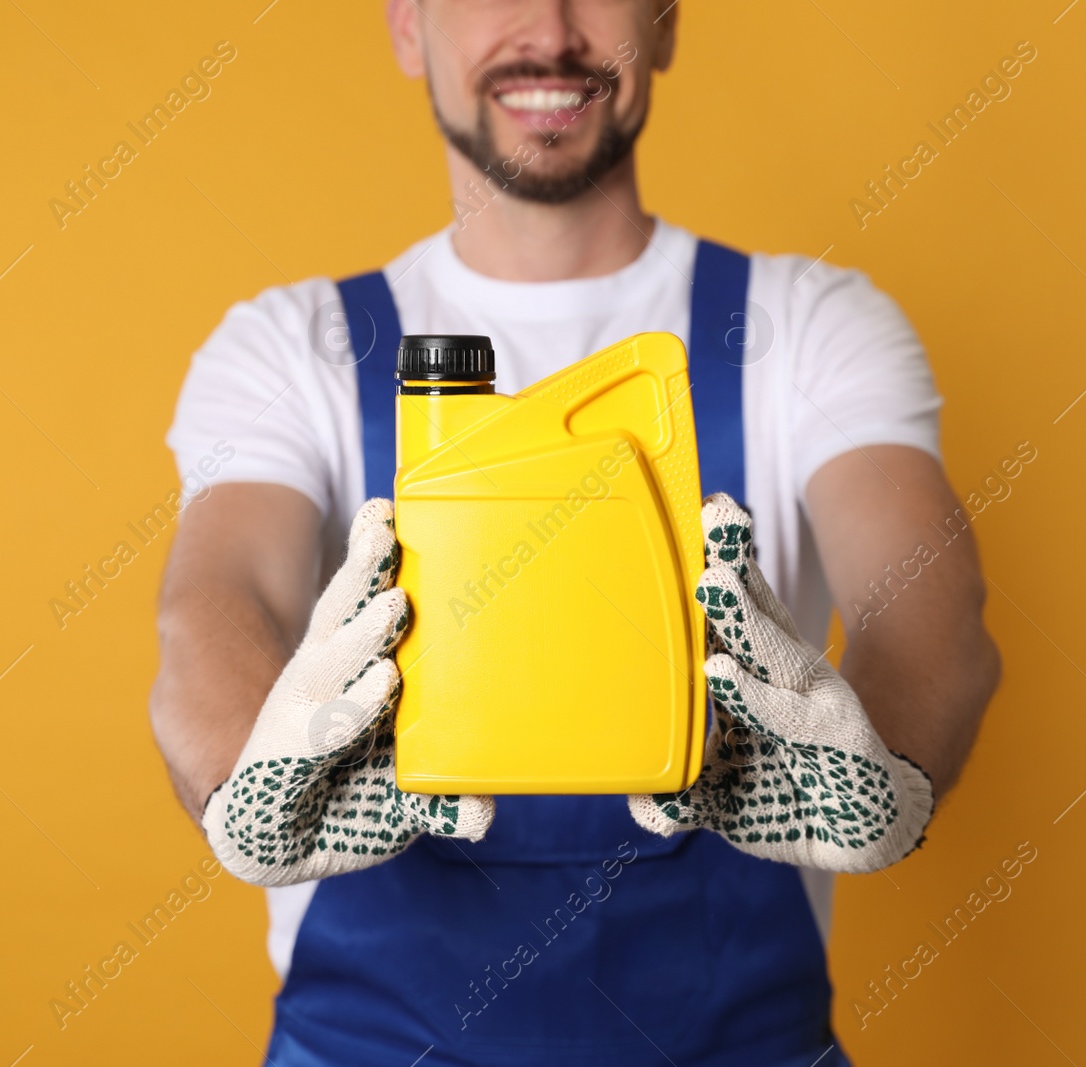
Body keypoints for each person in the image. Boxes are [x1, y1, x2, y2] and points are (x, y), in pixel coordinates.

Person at [152, 1, 1000, 1063]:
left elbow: (923, 596)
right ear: (409, 28)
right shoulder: (293, 345)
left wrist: (893, 772)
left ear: (667, 24)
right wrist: (247, 785)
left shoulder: (808, 322)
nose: (547, 28)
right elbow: (218, 599)